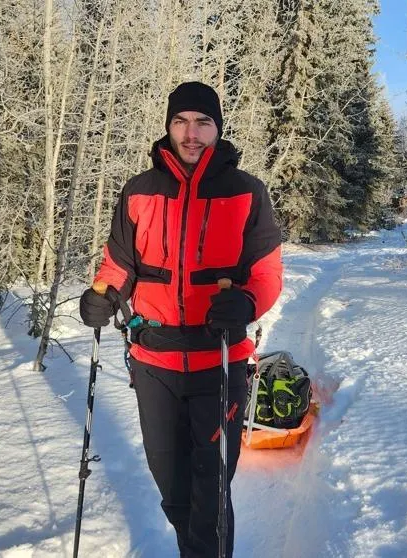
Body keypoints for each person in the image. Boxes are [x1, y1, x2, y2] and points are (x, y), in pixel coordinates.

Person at [79, 81, 283, 557]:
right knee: (173, 491)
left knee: (210, 494)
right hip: (154, 364)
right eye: (181, 122)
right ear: (169, 126)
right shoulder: (139, 191)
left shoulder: (246, 192)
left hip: (220, 362)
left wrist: (246, 302)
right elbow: (119, 265)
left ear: (218, 128)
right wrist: (104, 295)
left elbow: (267, 273)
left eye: (202, 123)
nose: (191, 134)